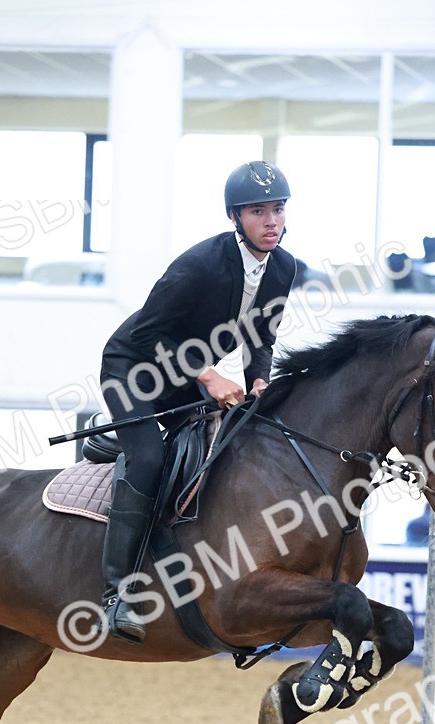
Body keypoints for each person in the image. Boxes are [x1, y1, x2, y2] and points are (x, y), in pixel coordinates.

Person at [98, 160, 297, 643]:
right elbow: (146, 335)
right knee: (147, 459)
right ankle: (115, 593)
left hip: (186, 379)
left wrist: (257, 381)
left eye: (278, 210)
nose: (271, 221)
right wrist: (207, 375)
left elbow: (260, 338)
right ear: (235, 218)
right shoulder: (200, 264)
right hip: (135, 368)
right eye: (258, 212)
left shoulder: (283, 267)